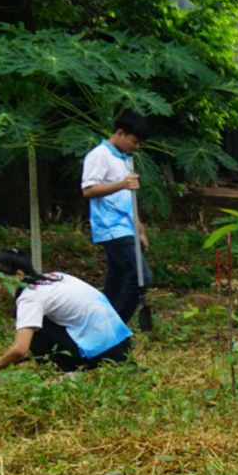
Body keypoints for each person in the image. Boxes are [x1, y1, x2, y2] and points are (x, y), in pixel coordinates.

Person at [0, 249, 133, 376]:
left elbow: (20, 350)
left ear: (19, 275)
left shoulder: (30, 297)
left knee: (33, 328)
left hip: (101, 354)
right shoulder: (55, 277)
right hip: (122, 346)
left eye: (0, 282)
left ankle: (66, 372)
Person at [80, 112, 150, 325]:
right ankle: (113, 328)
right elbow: (88, 190)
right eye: (134, 141)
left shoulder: (124, 159)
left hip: (126, 227)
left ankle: (96, 327)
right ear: (120, 133)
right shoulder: (99, 155)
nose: (136, 147)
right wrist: (122, 184)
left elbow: (127, 199)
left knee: (115, 283)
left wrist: (140, 230)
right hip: (110, 227)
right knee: (141, 277)